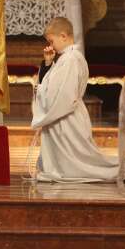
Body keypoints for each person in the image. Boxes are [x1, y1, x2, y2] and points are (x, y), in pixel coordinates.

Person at [31, 16, 118, 183]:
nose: (50, 46)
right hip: (64, 116)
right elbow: (53, 86)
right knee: (75, 159)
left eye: (51, 41)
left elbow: (64, 94)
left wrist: (43, 96)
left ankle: (114, 170)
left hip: (66, 116)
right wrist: (48, 64)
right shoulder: (66, 58)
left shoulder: (71, 59)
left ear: (63, 36)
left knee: (80, 162)